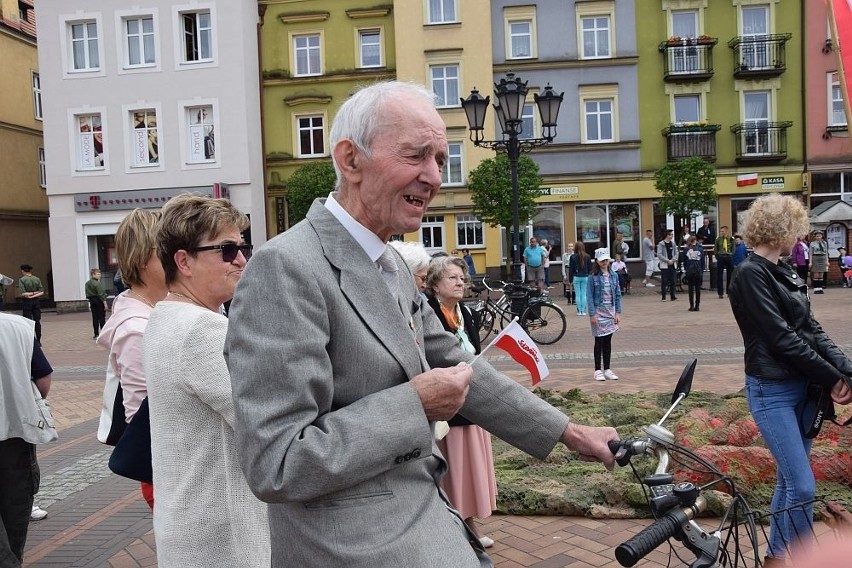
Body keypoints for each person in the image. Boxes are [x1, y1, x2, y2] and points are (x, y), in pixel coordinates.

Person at [225, 81, 617, 568]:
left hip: (425, 520)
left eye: (440, 159)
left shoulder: (387, 260)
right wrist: (414, 404)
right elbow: (276, 463)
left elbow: (458, 366)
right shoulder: (286, 267)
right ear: (350, 160)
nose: (434, 177)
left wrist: (570, 432)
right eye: (416, 156)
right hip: (354, 548)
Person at [143, 193, 269, 567]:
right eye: (227, 250)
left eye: (243, 246)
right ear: (184, 261)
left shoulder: (166, 316)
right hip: (222, 538)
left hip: (190, 524)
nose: (242, 259)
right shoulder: (202, 329)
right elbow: (265, 419)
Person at [727, 193, 852, 565]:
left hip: (802, 387)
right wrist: (832, 378)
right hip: (772, 390)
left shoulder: (784, 270)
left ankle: (778, 558)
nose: (801, 236)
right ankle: (797, 557)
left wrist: (845, 369)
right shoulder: (749, 274)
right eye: (797, 229)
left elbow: (810, 328)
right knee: (801, 484)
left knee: (788, 481)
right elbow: (781, 339)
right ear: (783, 228)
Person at [96, 209, 167, 510]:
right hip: (166, 471)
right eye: (164, 250)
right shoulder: (136, 328)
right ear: (142, 260)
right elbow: (142, 414)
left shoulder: (154, 307)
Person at [424, 255, 497, 549]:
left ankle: (469, 524)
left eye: (462, 279)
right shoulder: (429, 314)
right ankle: (458, 527)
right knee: (453, 471)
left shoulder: (468, 314)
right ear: (434, 284)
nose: (459, 283)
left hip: (471, 402)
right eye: (452, 278)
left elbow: (475, 353)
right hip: (447, 407)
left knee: (470, 470)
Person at [0, 312, 54, 566]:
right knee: (14, 506)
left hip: (15, 433)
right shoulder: (18, 327)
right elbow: (42, 379)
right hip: (15, 431)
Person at [588, 248, 622, 381]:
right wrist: (592, 314)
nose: (605, 262)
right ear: (597, 261)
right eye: (602, 260)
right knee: (599, 341)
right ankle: (597, 370)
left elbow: (618, 294)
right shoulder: (593, 277)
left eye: (606, 260)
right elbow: (589, 296)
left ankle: (607, 369)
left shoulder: (614, 275)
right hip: (598, 311)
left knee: (608, 341)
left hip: (610, 311)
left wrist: (618, 312)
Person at [18, 264, 44, 343]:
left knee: (28, 321)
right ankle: (39, 340)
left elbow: (23, 293)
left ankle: (31, 340)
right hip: (36, 301)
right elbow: (41, 291)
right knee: (37, 321)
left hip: (26, 302)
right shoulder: (36, 279)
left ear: (22, 270)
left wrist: (30, 295)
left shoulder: (22, 280)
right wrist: (34, 294)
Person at [568, 241, 592, 316]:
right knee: (584, 294)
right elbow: (590, 268)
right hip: (585, 276)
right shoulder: (587, 256)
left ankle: (579, 311)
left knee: (578, 294)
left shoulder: (572, 257)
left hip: (576, 276)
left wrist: (570, 279)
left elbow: (571, 269)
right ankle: (583, 311)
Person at [682, 236, 704, 312]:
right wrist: (702, 270)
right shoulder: (700, 249)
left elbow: (684, 261)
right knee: (698, 288)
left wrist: (686, 269)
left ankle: (691, 306)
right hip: (698, 270)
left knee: (690, 288)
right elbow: (703, 261)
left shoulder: (686, 249)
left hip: (690, 270)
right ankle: (697, 306)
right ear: (695, 241)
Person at [85, 268, 108, 340]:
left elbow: (87, 293)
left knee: (95, 317)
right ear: (93, 274)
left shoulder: (87, 283)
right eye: (98, 274)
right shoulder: (98, 283)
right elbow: (101, 294)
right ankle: (103, 333)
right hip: (98, 300)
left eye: (100, 274)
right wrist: (105, 303)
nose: (100, 276)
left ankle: (96, 334)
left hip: (91, 300)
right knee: (101, 317)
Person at [657, 230, 678, 302]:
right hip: (665, 265)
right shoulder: (661, 244)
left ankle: (673, 296)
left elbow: (676, 253)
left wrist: (673, 260)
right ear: (667, 235)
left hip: (672, 264)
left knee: (673, 281)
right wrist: (667, 260)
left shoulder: (673, 243)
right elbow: (659, 254)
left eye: (672, 235)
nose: (671, 236)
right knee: (664, 281)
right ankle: (664, 296)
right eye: (670, 235)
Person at [715, 226, 735, 298]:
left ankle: (728, 292)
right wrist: (718, 257)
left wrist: (730, 255)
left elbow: (733, 249)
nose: (722, 232)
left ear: (727, 231)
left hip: (728, 257)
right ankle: (720, 293)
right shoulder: (718, 239)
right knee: (719, 276)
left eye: (723, 231)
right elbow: (716, 250)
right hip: (721, 257)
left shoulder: (731, 239)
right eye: (721, 231)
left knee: (730, 275)